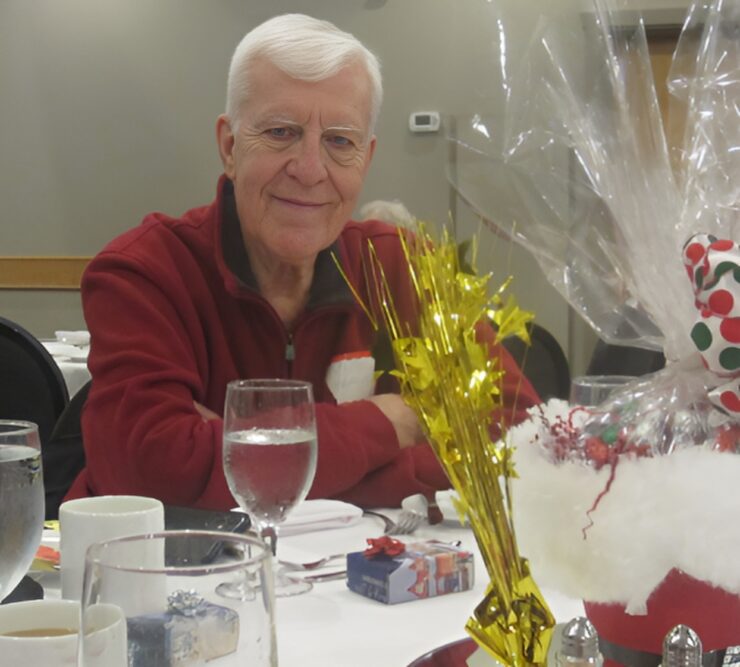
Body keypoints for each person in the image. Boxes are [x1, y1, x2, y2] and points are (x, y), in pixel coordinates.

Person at [65, 14, 539, 510]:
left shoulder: (407, 268)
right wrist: (388, 424)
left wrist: (243, 455)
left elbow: (521, 442)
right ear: (229, 147)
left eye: (339, 141)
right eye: (280, 132)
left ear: (366, 158)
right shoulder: (145, 274)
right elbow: (149, 476)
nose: (310, 170)